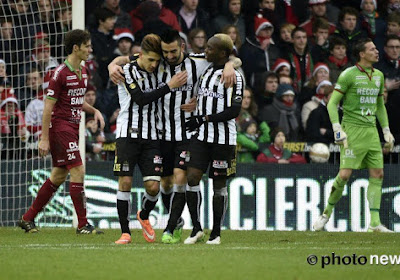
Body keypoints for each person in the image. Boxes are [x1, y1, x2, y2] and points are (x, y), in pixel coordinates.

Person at [108, 29, 240, 244]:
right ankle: (174, 221)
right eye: (165, 52)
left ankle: (174, 227)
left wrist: (229, 65)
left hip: (187, 132)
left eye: (172, 51)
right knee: (166, 184)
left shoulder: (198, 62)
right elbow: (128, 58)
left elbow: (233, 58)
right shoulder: (156, 62)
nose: (168, 56)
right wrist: (112, 64)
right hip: (160, 134)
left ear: (182, 47)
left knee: (182, 177)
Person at [18, 29, 106, 234]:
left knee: (58, 176)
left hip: (73, 128)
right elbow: (48, 107)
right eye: (87, 46)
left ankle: (28, 218)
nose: (90, 49)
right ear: (76, 48)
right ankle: (83, 225)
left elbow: (76, 101)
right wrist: (44, 139)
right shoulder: (59, 74)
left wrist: (94, 110)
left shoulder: (83, 71)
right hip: (60, 128)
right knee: (78, 170)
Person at [111, 34, 188, 244]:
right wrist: (169, 86)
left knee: (153, 187)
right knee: (125, 181)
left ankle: (143, 215)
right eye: (151, 60)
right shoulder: (126, 71)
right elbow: (141, 99)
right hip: (127, 135)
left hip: (153, 136)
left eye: (157, 60)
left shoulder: (158, 68)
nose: (154, 65)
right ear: (141, 55)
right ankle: (125, 232)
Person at [313, 37, 395, 233]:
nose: (377, 52)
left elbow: (379, 106)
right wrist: (337, 128)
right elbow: (332, 103)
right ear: (362, 54)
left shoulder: (379, 76)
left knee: (378, 174)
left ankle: (374, 223)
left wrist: (386, 130)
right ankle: (325, 214)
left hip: (371, 132)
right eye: (372, 49)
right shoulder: (348, 75)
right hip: (352, 132)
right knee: (345, 175)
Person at [184, 33, 244, 245]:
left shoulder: (235, 76)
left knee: (219, 185)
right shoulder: (206, 69)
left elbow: (234, 110)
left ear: (222, 53)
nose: (205, 50)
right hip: (201, 137)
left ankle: (216, 232)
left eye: (210, 48)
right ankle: (196, 228)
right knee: (191, 178)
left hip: (223, 140)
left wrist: (204, 117)